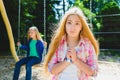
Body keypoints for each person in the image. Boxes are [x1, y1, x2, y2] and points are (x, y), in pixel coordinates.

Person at [44, 7, 99, 80]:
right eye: (69, 22)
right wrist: (67, 60)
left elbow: (93, 72)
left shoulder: (87, 45)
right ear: (65, 25)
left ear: (81, 27)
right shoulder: (58, 44)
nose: (72, 27)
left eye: (77, 23)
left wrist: (76, 60)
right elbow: (52, 70)